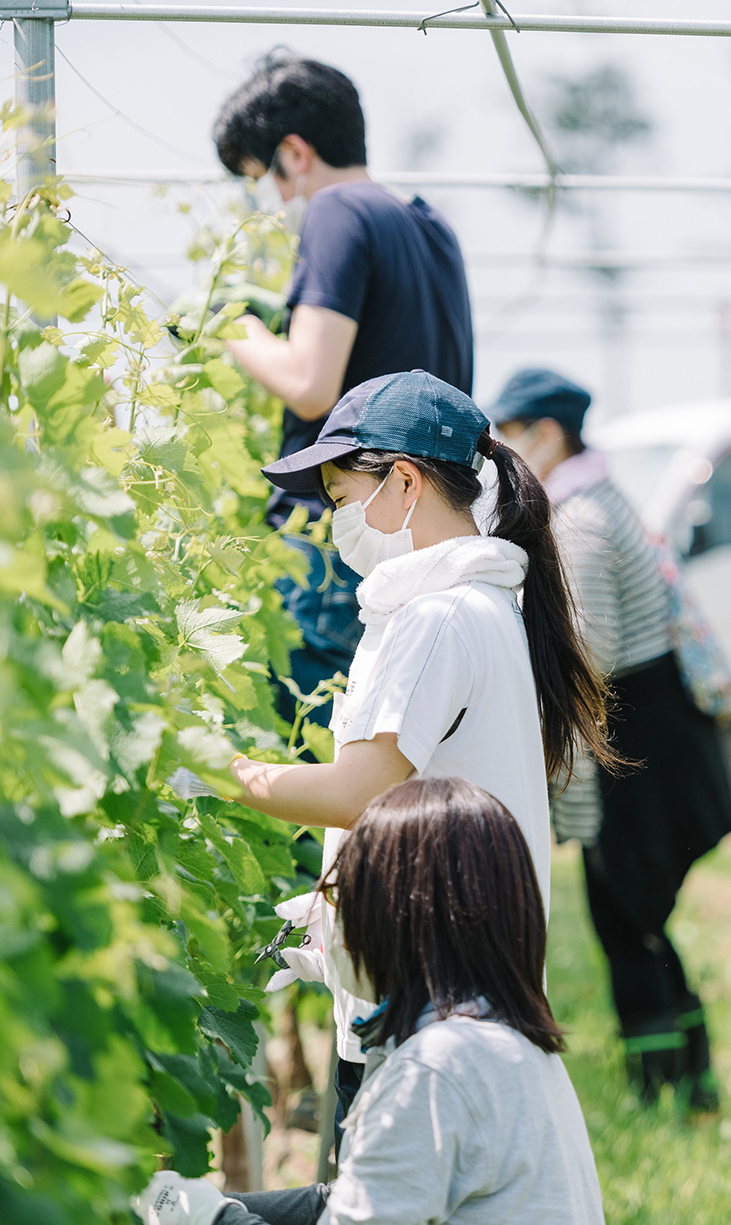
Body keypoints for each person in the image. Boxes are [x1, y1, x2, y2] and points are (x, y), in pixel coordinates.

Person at [227, 369, 611, 1134]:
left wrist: (223, 775)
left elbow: (358, 791)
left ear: (403, 481)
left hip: (426, 1020)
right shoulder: (481, 605)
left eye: (342, 500)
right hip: (451, 994)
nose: (339, 523)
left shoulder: (438, 618)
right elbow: (423, 799)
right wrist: (330, 916)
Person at [135, 777, 614, 1225]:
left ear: (399, 916)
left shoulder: (433, 1074)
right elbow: (349, 1203)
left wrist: (209, 1222)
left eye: (340, 898)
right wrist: (195, 1204)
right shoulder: (502, 1042)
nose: (331, 921)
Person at [491, 368, 731, 1110]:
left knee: (628, 917)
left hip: (643, 750)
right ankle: (686, 1077)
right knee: (640, 919)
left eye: (510, 433)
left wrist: (556, 783)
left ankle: (661, 1083)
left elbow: (584, 668)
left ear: (547, 433)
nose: (504, 451)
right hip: (655, 740)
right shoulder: (596, 500)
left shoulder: (581, 524)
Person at [212, 52, 474, 723]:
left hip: (335, 539)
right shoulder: (426, 224)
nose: (276, 201)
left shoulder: (334, 212)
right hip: (415, 525)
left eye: (264, 178)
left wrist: (232, 325)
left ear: (294, 154)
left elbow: (308, 382)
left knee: (316, 741)